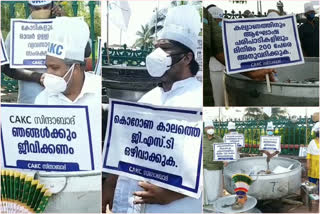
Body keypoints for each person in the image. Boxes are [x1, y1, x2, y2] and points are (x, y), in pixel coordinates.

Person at [102, 5, 202, 213]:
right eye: (156, 48)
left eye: (165, 49)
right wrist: (110, 184)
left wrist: (171, 194)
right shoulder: (149, 97)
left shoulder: (197, 100)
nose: (157, 54)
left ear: (187, 58)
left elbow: (204, 160)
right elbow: (126, 145)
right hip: (134, 199)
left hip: (175, 205)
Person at [34, 17, 101, 212]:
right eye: (47, 66)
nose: (48, 74)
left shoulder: (99, 93)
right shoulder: (43, 99)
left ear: (76, 68)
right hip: (54, 195)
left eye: (55, 68)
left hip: (92, 192)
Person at [203, 5, 277, 106]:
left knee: (222, 101)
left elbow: (220, 50)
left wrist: (253, 72)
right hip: (209, 73)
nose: (219, 24)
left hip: (209, 92)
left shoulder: (207, 17)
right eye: (217, 20)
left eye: (220, 21)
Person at [2, 0, 65, 104]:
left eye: (46, 7)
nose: (42, 10)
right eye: (37, 8)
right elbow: (6, 67)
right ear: (30, 7)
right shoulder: (18, 31)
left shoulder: (63, 27)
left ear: (53, 6)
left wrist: (65, 21)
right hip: (31, 98)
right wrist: (37, 77)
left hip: (62, 98)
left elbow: (86, 52)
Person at [203, 120, 224, 205]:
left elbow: (224, 151)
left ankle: (216, 202)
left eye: (211, 127)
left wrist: (225, 161)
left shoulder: (219, 139)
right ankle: (207, 202)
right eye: (208, 127)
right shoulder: (202, 139)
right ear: (205, 129)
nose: (210, 129)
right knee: (207, 187)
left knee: (215, 187)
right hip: (204, 168)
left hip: (216, 168)